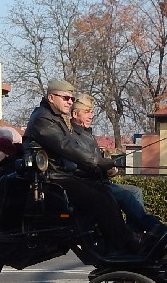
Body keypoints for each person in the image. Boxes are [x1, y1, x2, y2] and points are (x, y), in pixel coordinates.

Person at [23, 79, 140, 253]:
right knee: (98, 198)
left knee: (104, 191)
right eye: (66, 98)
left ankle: (117, 242)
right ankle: (124, 245)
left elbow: (71, 147)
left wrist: (99, 163)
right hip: (50, 179)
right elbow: (66, 146)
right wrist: (97, 161)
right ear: (51, 97)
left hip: (60, 176)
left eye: (71, 98)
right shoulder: (42, 118)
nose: (70, 102)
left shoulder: (55, 118)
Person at [69, 95, 164, 234]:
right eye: (87, 112)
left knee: (136, 191)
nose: (91, 116)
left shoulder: (87, 134)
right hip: (90, 185)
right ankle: (154, 227)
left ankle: (134, 234)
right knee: (127, 195)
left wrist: (109, 170)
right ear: (75, 114)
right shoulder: (71, 137)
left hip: (101, 181)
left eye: (92, 112)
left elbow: (97, 160)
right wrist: (103, 169)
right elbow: (78, 166)